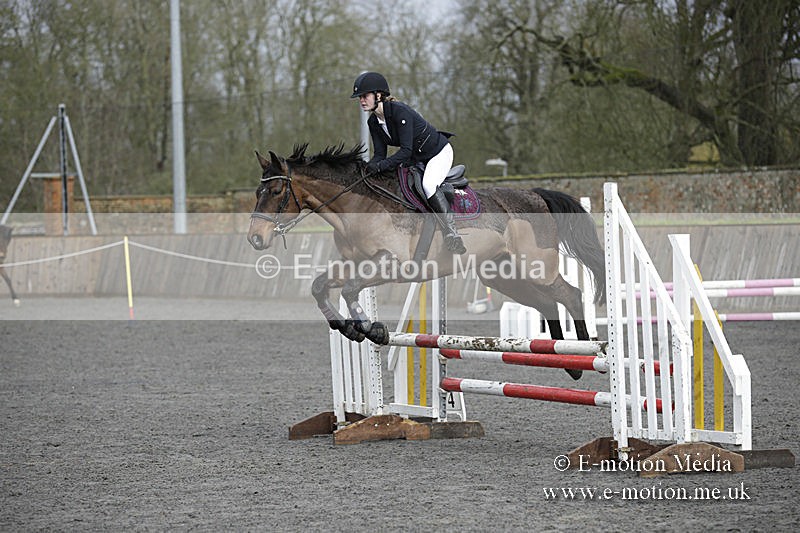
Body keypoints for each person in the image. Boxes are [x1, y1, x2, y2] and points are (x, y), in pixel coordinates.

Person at [351, 71, 466, 254]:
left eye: (365, 96)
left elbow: (405, 151)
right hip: (416, 158)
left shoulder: (400, 112)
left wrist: (380, 166)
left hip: (438, 153)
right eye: (360, 98)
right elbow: (380, 154)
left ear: (378, 95)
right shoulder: (373, 122)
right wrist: (366, 171)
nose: (361, 100)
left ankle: (452, 232)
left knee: (428, 185)